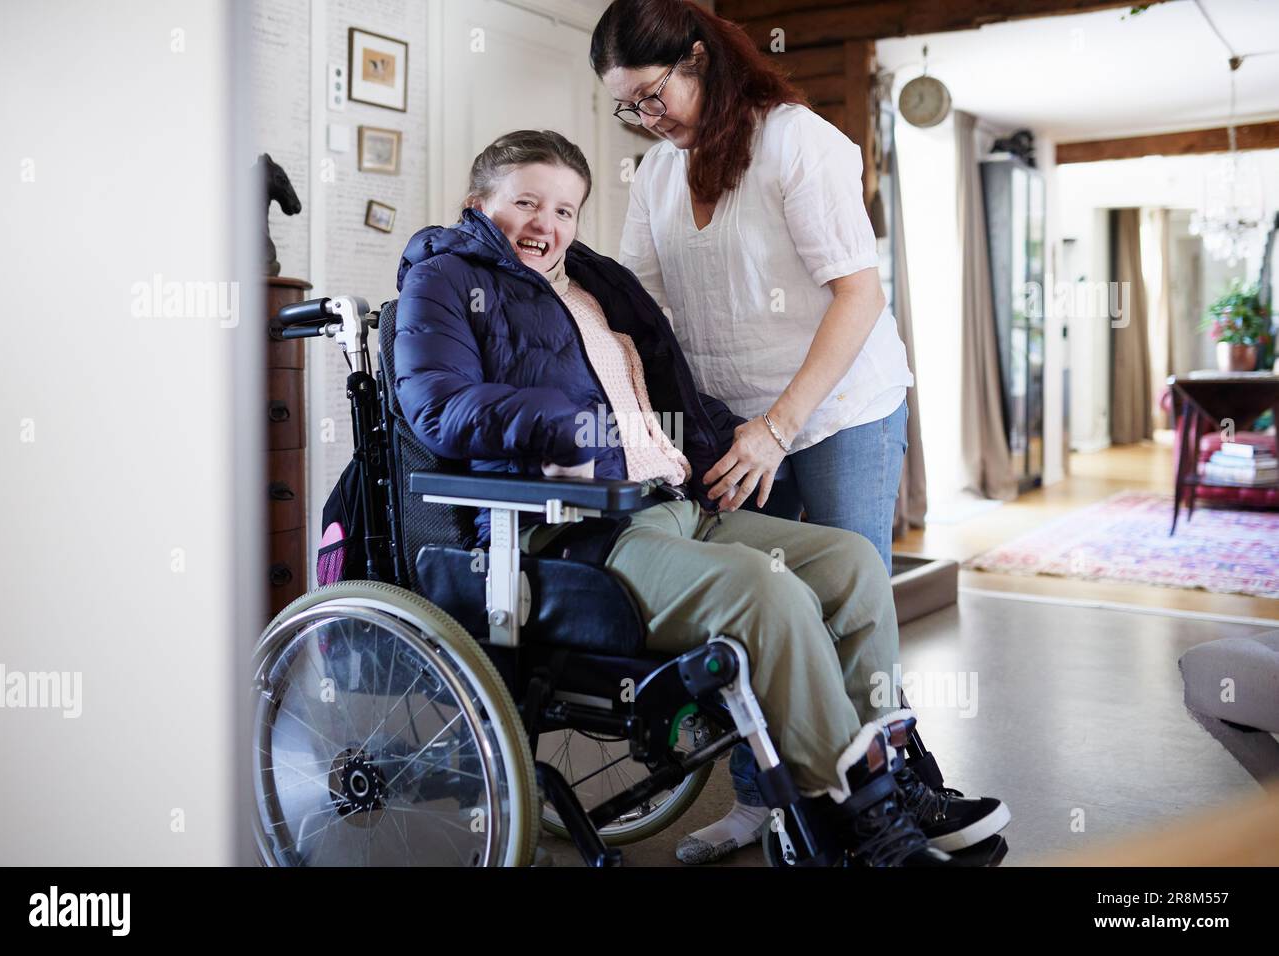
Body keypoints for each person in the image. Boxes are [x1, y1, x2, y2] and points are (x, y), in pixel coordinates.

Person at [393, 129, 1007, 867]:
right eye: (525, 202)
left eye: (564, 209)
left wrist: (728, 441)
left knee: (850, 564)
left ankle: (886, 776)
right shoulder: (445, 279)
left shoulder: (592, 284)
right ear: (477, 202)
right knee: (762, 594)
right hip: (576, 530)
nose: (545, 224)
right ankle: (863, 816)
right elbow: (438, 406)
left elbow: (664, 394)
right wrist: (581, 434)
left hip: (672, 504)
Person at [591, 0, 960, 862]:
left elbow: (859, 295)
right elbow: (635, 311)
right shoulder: (654, 174)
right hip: (729, 424)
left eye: (652, 97)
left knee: (840, 601)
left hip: (833, 411)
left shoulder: (797, 143)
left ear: (697, 59)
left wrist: (780, 428)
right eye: (629, 108)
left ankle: (880, 792)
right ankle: (762, 802)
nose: (647, 120)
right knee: (752, 615)